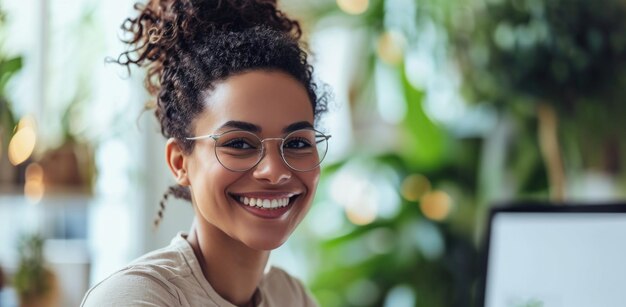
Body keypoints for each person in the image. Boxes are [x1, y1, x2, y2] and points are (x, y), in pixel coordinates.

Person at [80, 0, 330, 306]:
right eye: (239, 143)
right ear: (179, 162)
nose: (275, 171)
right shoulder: (135, 298)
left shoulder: (290, 297)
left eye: (296, 143)